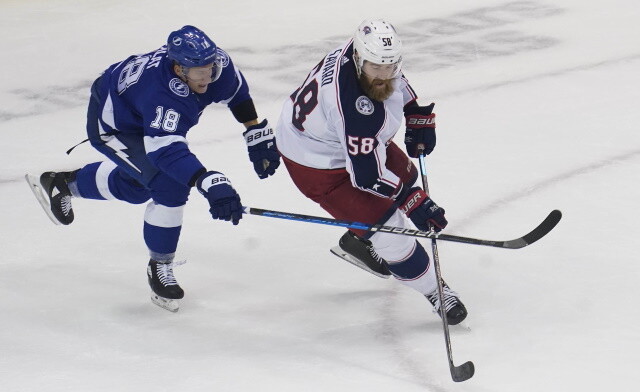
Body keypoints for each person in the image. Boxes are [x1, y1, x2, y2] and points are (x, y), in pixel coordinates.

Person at [27, 25, 280, 312]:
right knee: (168, 185)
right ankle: (160, 265)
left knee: (137, 189)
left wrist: (254, 130)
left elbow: (236, 93)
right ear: (179, 68)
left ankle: (64, 184)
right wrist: (207, 181)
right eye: (199, 72)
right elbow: (165, 152)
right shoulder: (163, 93)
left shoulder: (215, 63)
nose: (207, 77)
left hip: (139, 111)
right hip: (116, 124)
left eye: (210, 67)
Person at [276, 19, 467, 324]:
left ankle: (359, 240)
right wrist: (411, 200)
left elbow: (397, 79)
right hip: (317, 164)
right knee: (392, 232)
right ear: (359, 60)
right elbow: (366, 177)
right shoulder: (354, 108)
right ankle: (435, 291)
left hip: (334, 139)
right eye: (375, 68)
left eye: (388, 67)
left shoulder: (363, 54)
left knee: (404, 173)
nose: (383, 75)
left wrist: (415, 111)